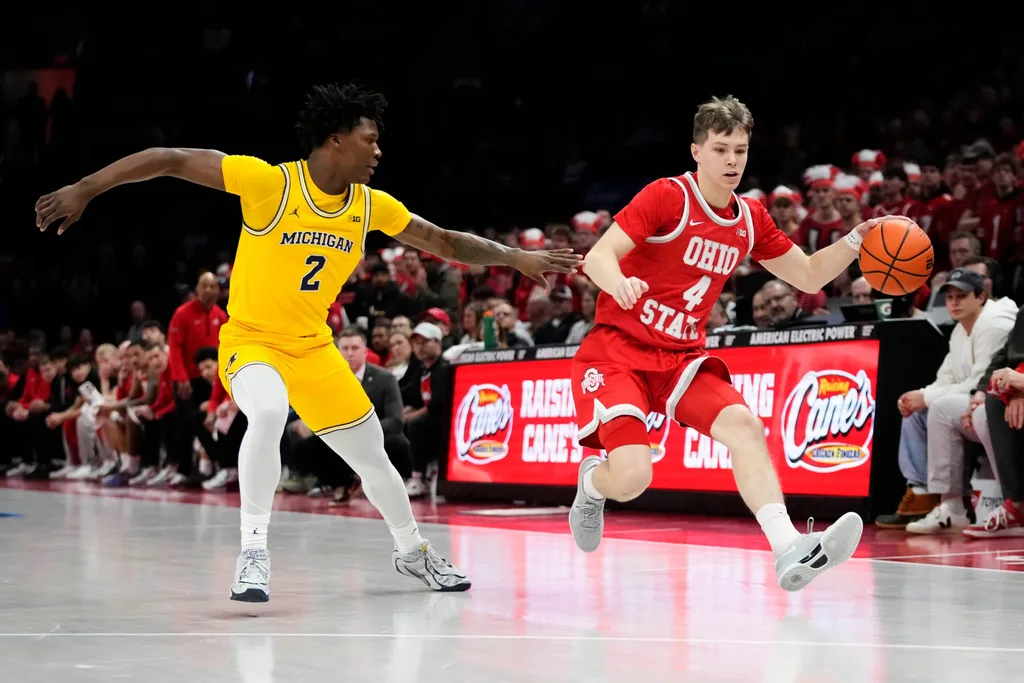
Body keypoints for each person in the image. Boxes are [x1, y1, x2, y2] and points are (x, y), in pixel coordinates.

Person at [35, 82, 580, 601]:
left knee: (373, 456)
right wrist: (85, 188)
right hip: (251, 342)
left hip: (313, 347)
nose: (378, 151)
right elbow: (171, 157)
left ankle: (412, 550)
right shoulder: (270, 184)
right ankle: (252, 551)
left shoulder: (369, 205)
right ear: (335, 139)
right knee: (268, 412)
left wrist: (514, 256)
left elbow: (440, 240)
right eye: (370, 139)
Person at [569, 95, 903, 591]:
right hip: (619, 350)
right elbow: (598, 256)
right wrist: (617, 282)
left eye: (740, 151)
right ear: (697, 151)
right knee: (634, 477)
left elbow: (809, 275)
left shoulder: (750, 219)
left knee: (745, 426)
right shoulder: (667, 197)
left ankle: (788, 545)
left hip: (681, 356)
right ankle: (592, 483)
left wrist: (854, 240)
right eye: (721, 149)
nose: (732, 161)